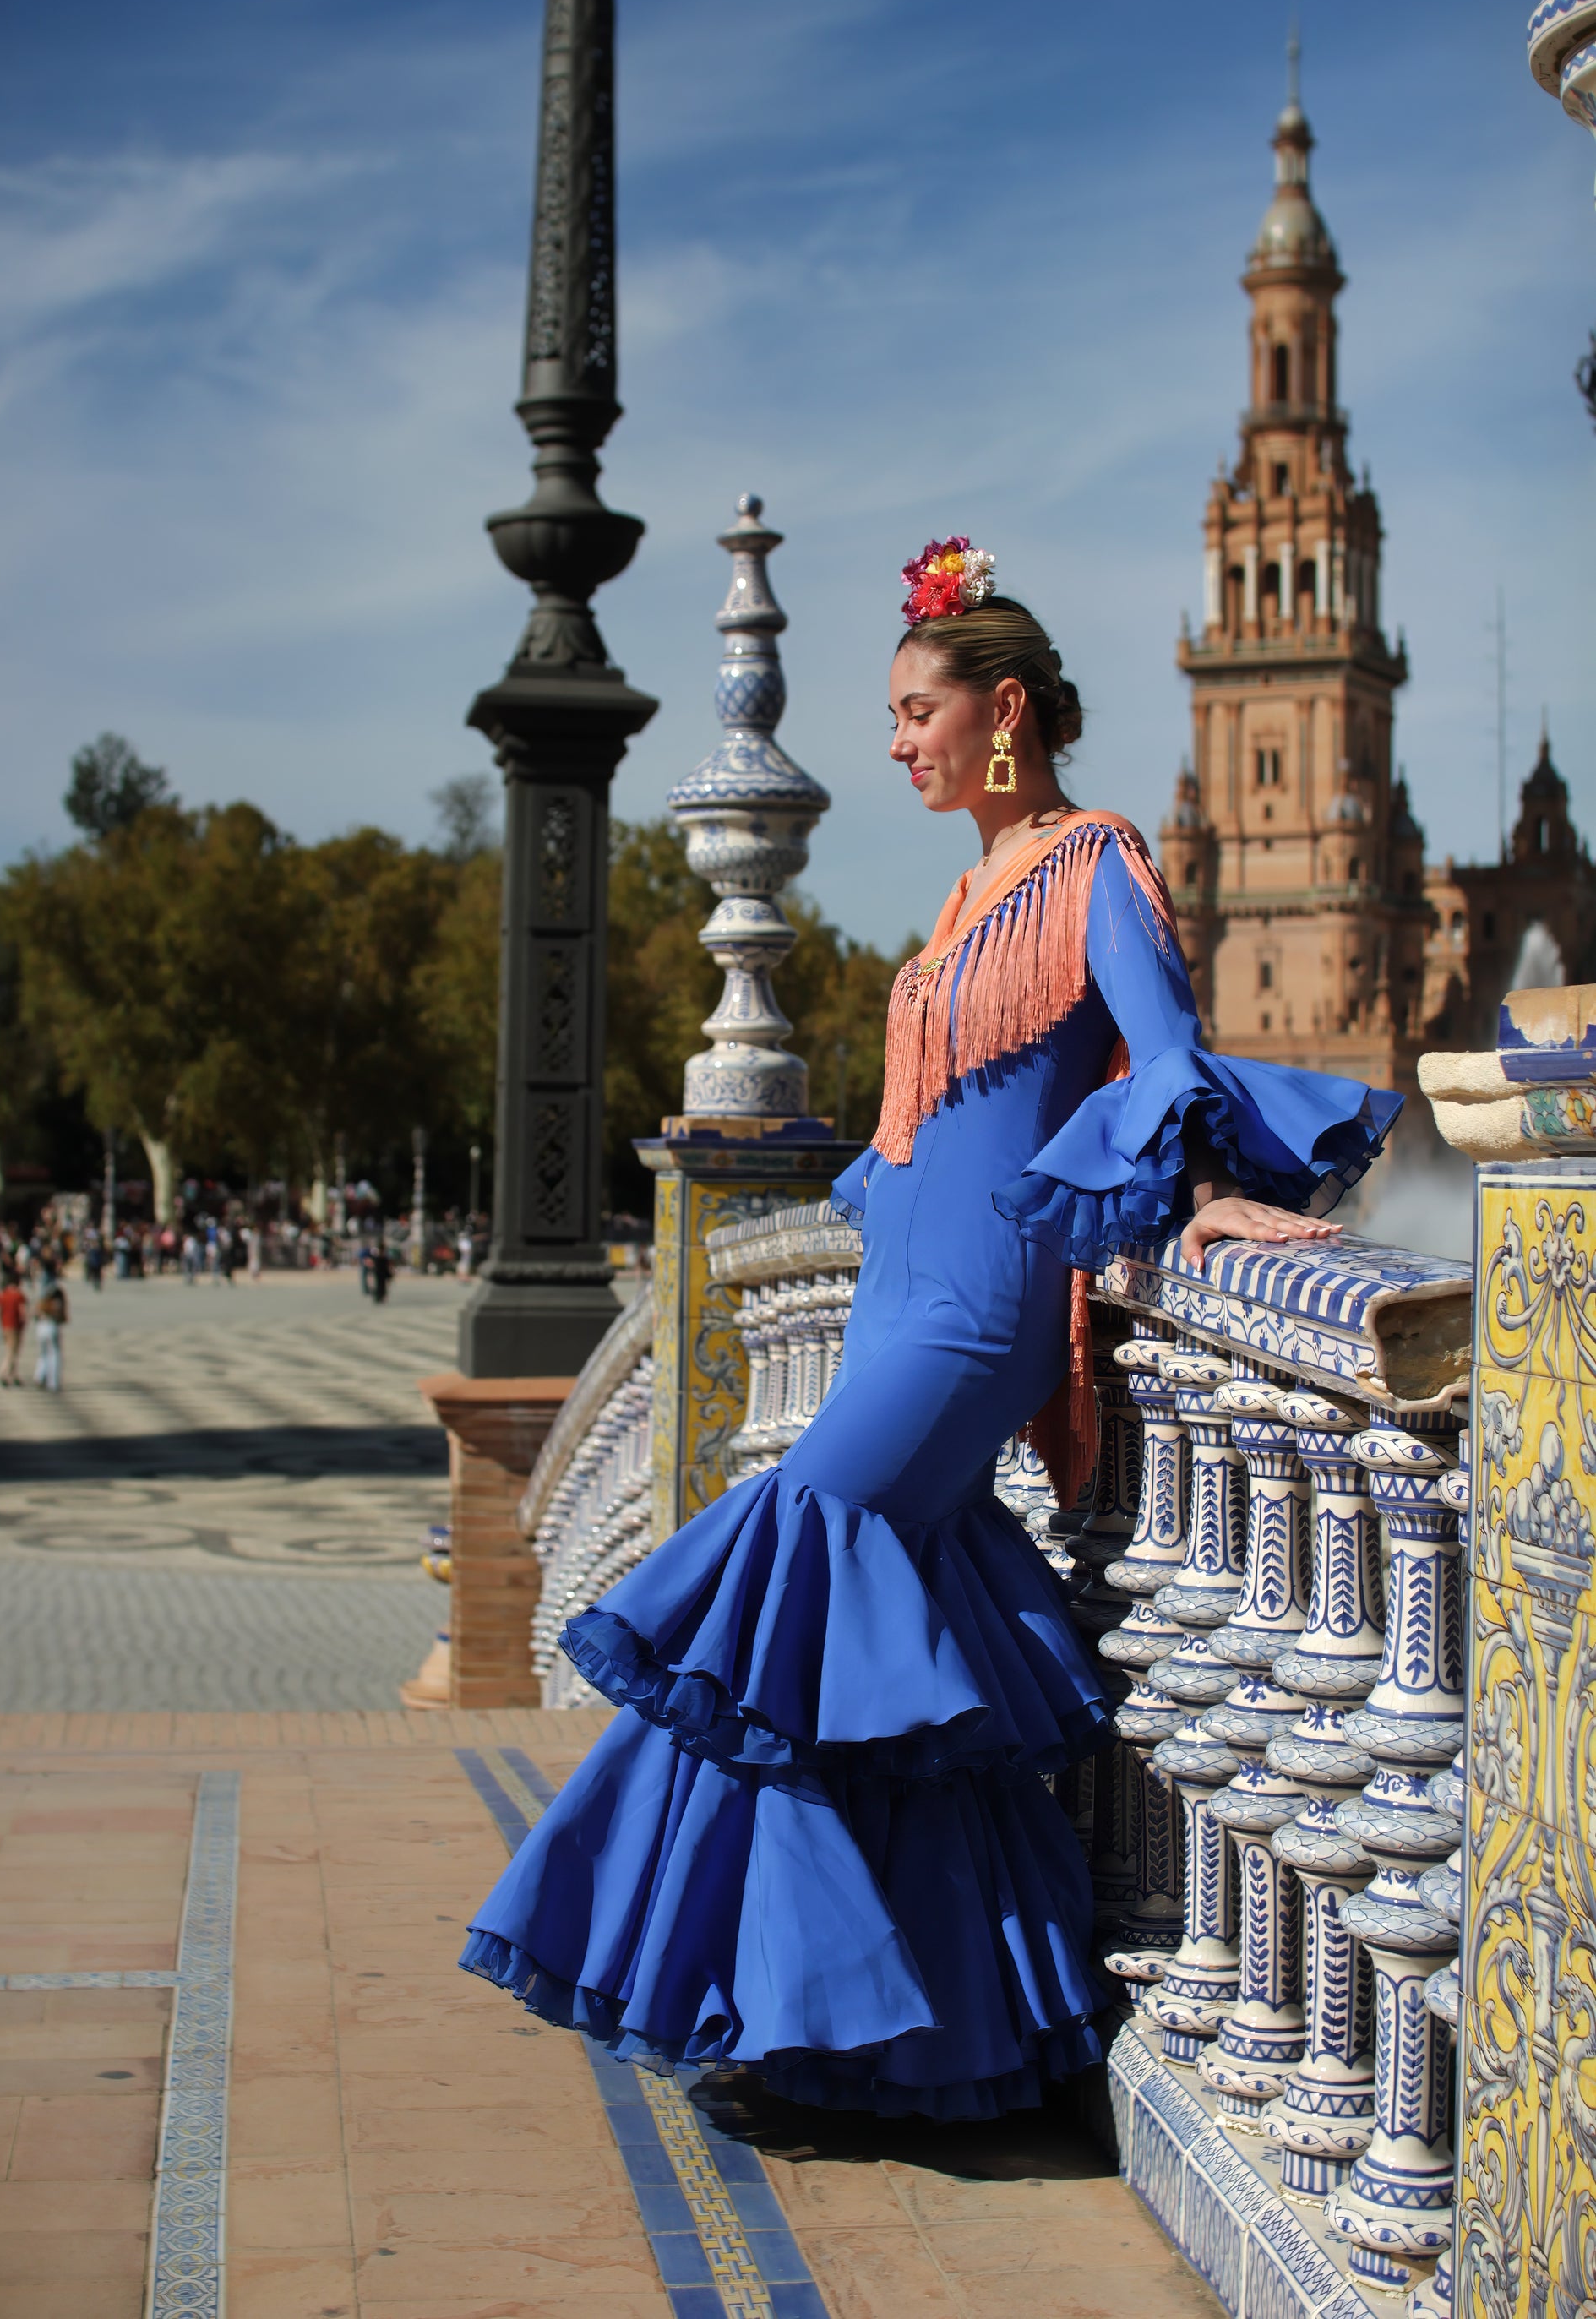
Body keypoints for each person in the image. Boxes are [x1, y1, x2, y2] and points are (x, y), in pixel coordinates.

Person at [459, 546, 1398, 2120]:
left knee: (777, 1580)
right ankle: (905, 2037)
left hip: (973, 1322)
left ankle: (766, 1996)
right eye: (894, 714)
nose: (896, 739)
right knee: (854, 1676)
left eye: (915, 710)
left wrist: (1208, 1193)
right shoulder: (967, 893)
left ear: (1001, 710)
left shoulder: (1097, 861)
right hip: (898, 1294)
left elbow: (1163, 1052)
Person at [33, 1271, 68, 1392]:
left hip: (41, 1326)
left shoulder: (42, 1299)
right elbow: (62, 1316)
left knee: (43, 1353)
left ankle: (39, 1376)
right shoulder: (57, 1297)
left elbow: (36, 1314)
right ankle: (53, 1382)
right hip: (52, 1325)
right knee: (55, 1354)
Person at [0, 1272, 28, 1387]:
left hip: (5, 1327)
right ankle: (3, 1374)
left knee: (12, 1351)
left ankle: (14, 1375)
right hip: (15, 1327)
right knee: (11, 1353)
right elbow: (23, 1312)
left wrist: (2, 1321)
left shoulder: (2, 1295)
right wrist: (25, 1323)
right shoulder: (19, 1296)